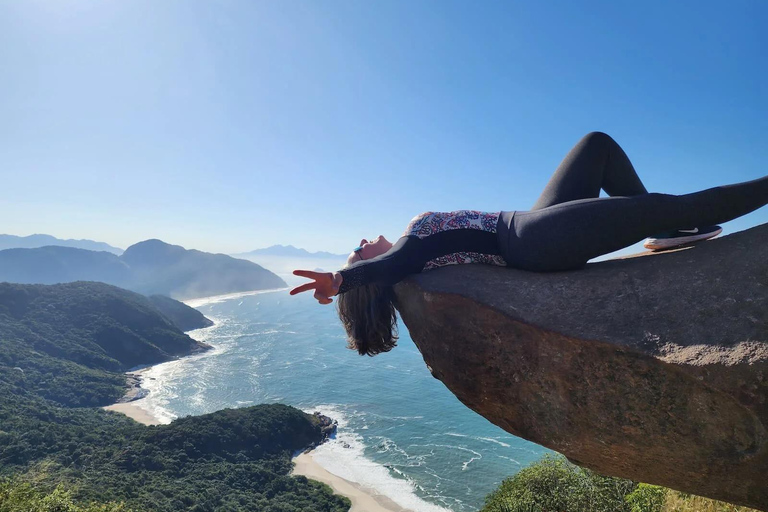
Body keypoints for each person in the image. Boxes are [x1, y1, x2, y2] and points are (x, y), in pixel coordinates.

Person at [290, 132, 768, 356]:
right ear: (373, 270)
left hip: (530, 222)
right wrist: (342, 278)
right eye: (359, 248)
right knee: (678, 206)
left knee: (596, 146)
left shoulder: (412, 255)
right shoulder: (405, 257)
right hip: (535, 239)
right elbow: (389, 264)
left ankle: (661, 230)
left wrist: (349, 274)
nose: (363, 240)